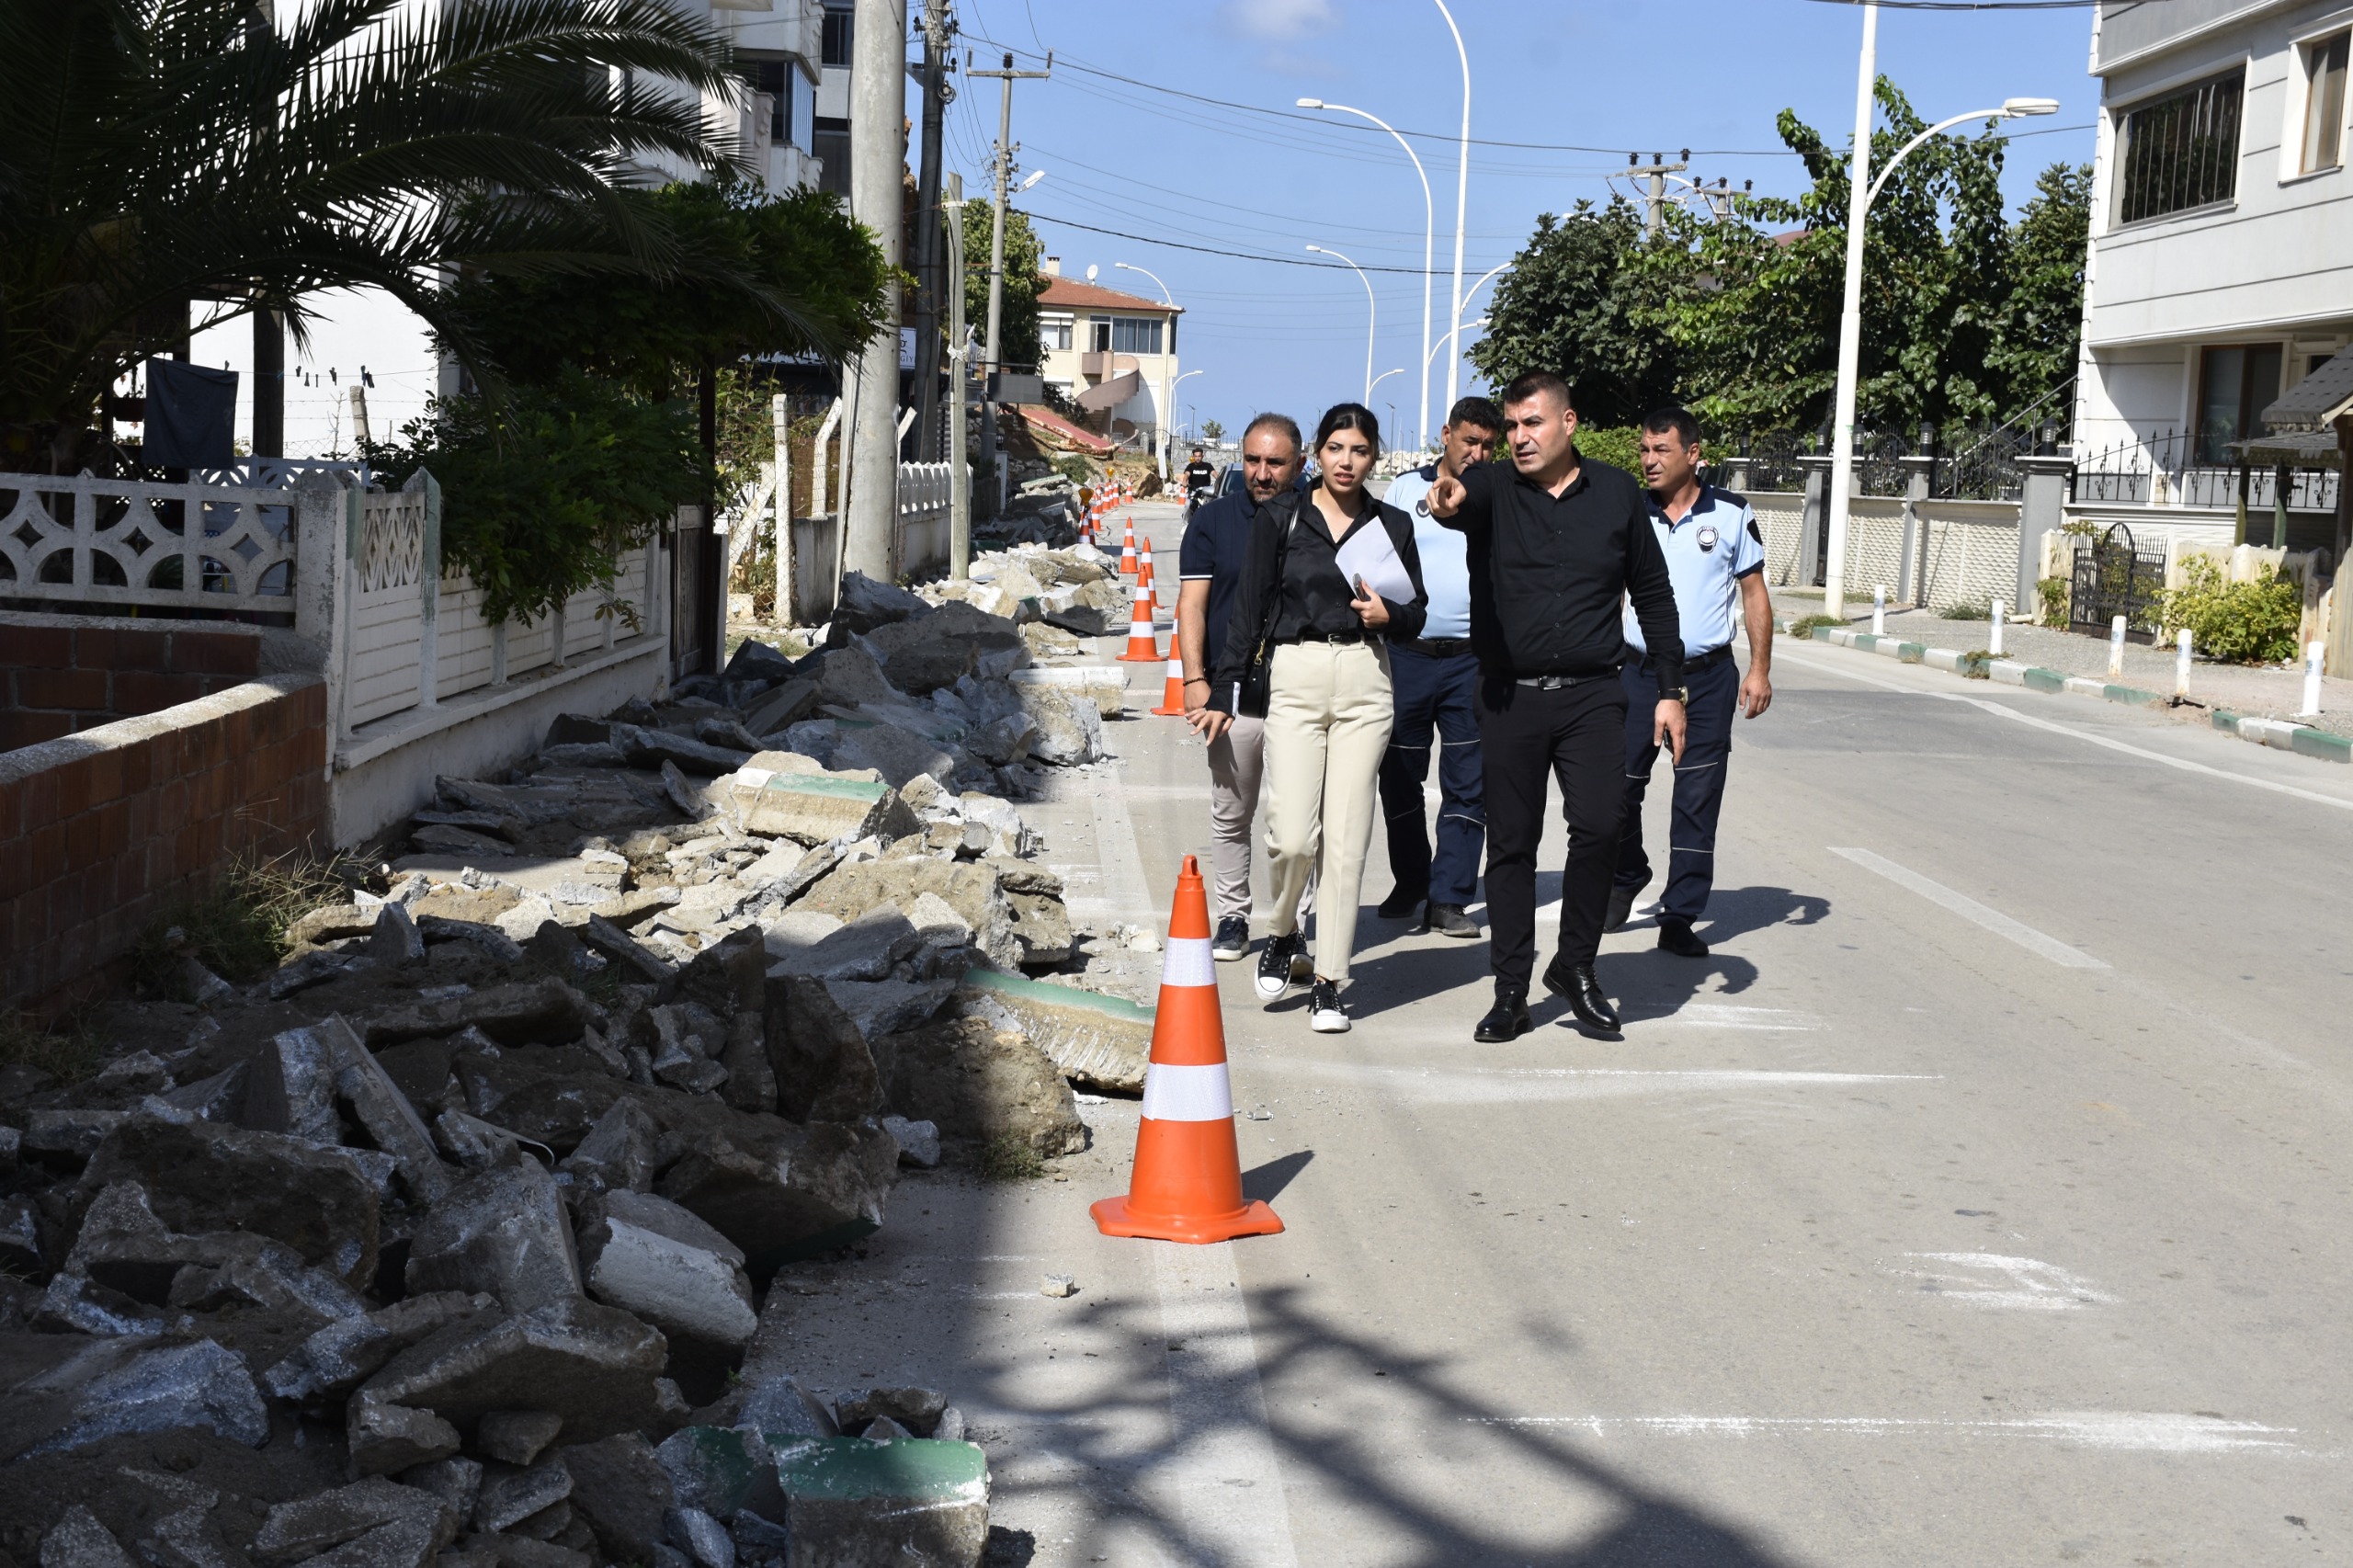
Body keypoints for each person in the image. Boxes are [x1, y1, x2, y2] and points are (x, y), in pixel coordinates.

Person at [1427, 372, 1685, 1042]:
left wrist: (1669, 689)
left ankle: (1575, 966)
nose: (1518, 438)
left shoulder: (1619, 494)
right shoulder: (1493, 487)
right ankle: (1511, 987)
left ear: (1568, 424)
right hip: (1509, 694)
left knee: (1601, 827)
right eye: (1511, 426)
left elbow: (1653, 594)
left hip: (1595, 693)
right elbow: (1460, 499)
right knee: (1511, 844)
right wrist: (1449, 498)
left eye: (1532, 424)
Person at [1199, 403, 1428, 1034]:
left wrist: (1391, 617)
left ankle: (1330, 981)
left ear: (1374, 458)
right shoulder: (1282, 517)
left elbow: (1417, 613)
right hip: (1295, 679)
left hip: (1365, 681)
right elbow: (1249, 609)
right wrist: (1225, 690)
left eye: (1359, 450)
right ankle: (1280, 931)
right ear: (1317, 457)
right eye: (1335, 449)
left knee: (1348, 839)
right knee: (1294, 834)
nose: (1346, 461)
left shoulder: (1394, 525)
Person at [1611, 408, 1774, 957]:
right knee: (1615, 789)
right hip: (1635, 673)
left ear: (1694, 454)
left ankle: (1680, 914)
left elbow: (1753, 593)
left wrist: (1758, 668)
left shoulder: (1730, 513)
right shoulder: (1632, 511)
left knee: (1697, 796)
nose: (1649, 461)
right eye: (1644, 450)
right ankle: (1627, 872)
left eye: (1662, 451)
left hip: (1706, 679)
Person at [1177, 415, 1313, 963]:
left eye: (1275, 463)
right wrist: (1194, 680)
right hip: (1231, 694)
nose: (1261, 474)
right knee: (1231, 812)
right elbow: (1193, 605)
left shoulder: (1319, 519)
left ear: (1299, 465)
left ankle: (1292, 924)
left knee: (1297, 820)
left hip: (1302, 692)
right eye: (1252, 461)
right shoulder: (1211, 523)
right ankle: (1233, 916)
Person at [1374, 397, 1500, 938]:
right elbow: (1376, 562)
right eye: (1470, 441)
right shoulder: (1403, 491)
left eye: (1488, 445)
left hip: (1473, 659)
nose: (1478, 453)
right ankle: (1412, 881)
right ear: (1446, 434)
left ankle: (1450, 896)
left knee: (1469, 782)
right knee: (1399, 776)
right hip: (1407, 656)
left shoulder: (1500, 493)